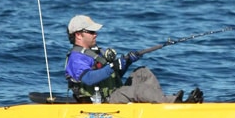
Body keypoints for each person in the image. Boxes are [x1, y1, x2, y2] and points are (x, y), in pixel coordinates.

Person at [64, 14, 203, 104]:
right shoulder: (76, 58)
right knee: (135, 90)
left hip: (114, 94)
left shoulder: (96, 52)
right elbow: (89, 79)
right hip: (102, 102)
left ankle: (161, 103)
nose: (96, 35)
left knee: (143, 72)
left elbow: (113, 75)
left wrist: (126, 62)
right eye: (92, 32)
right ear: (79, 35)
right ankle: (174, 103)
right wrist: (113, 66)